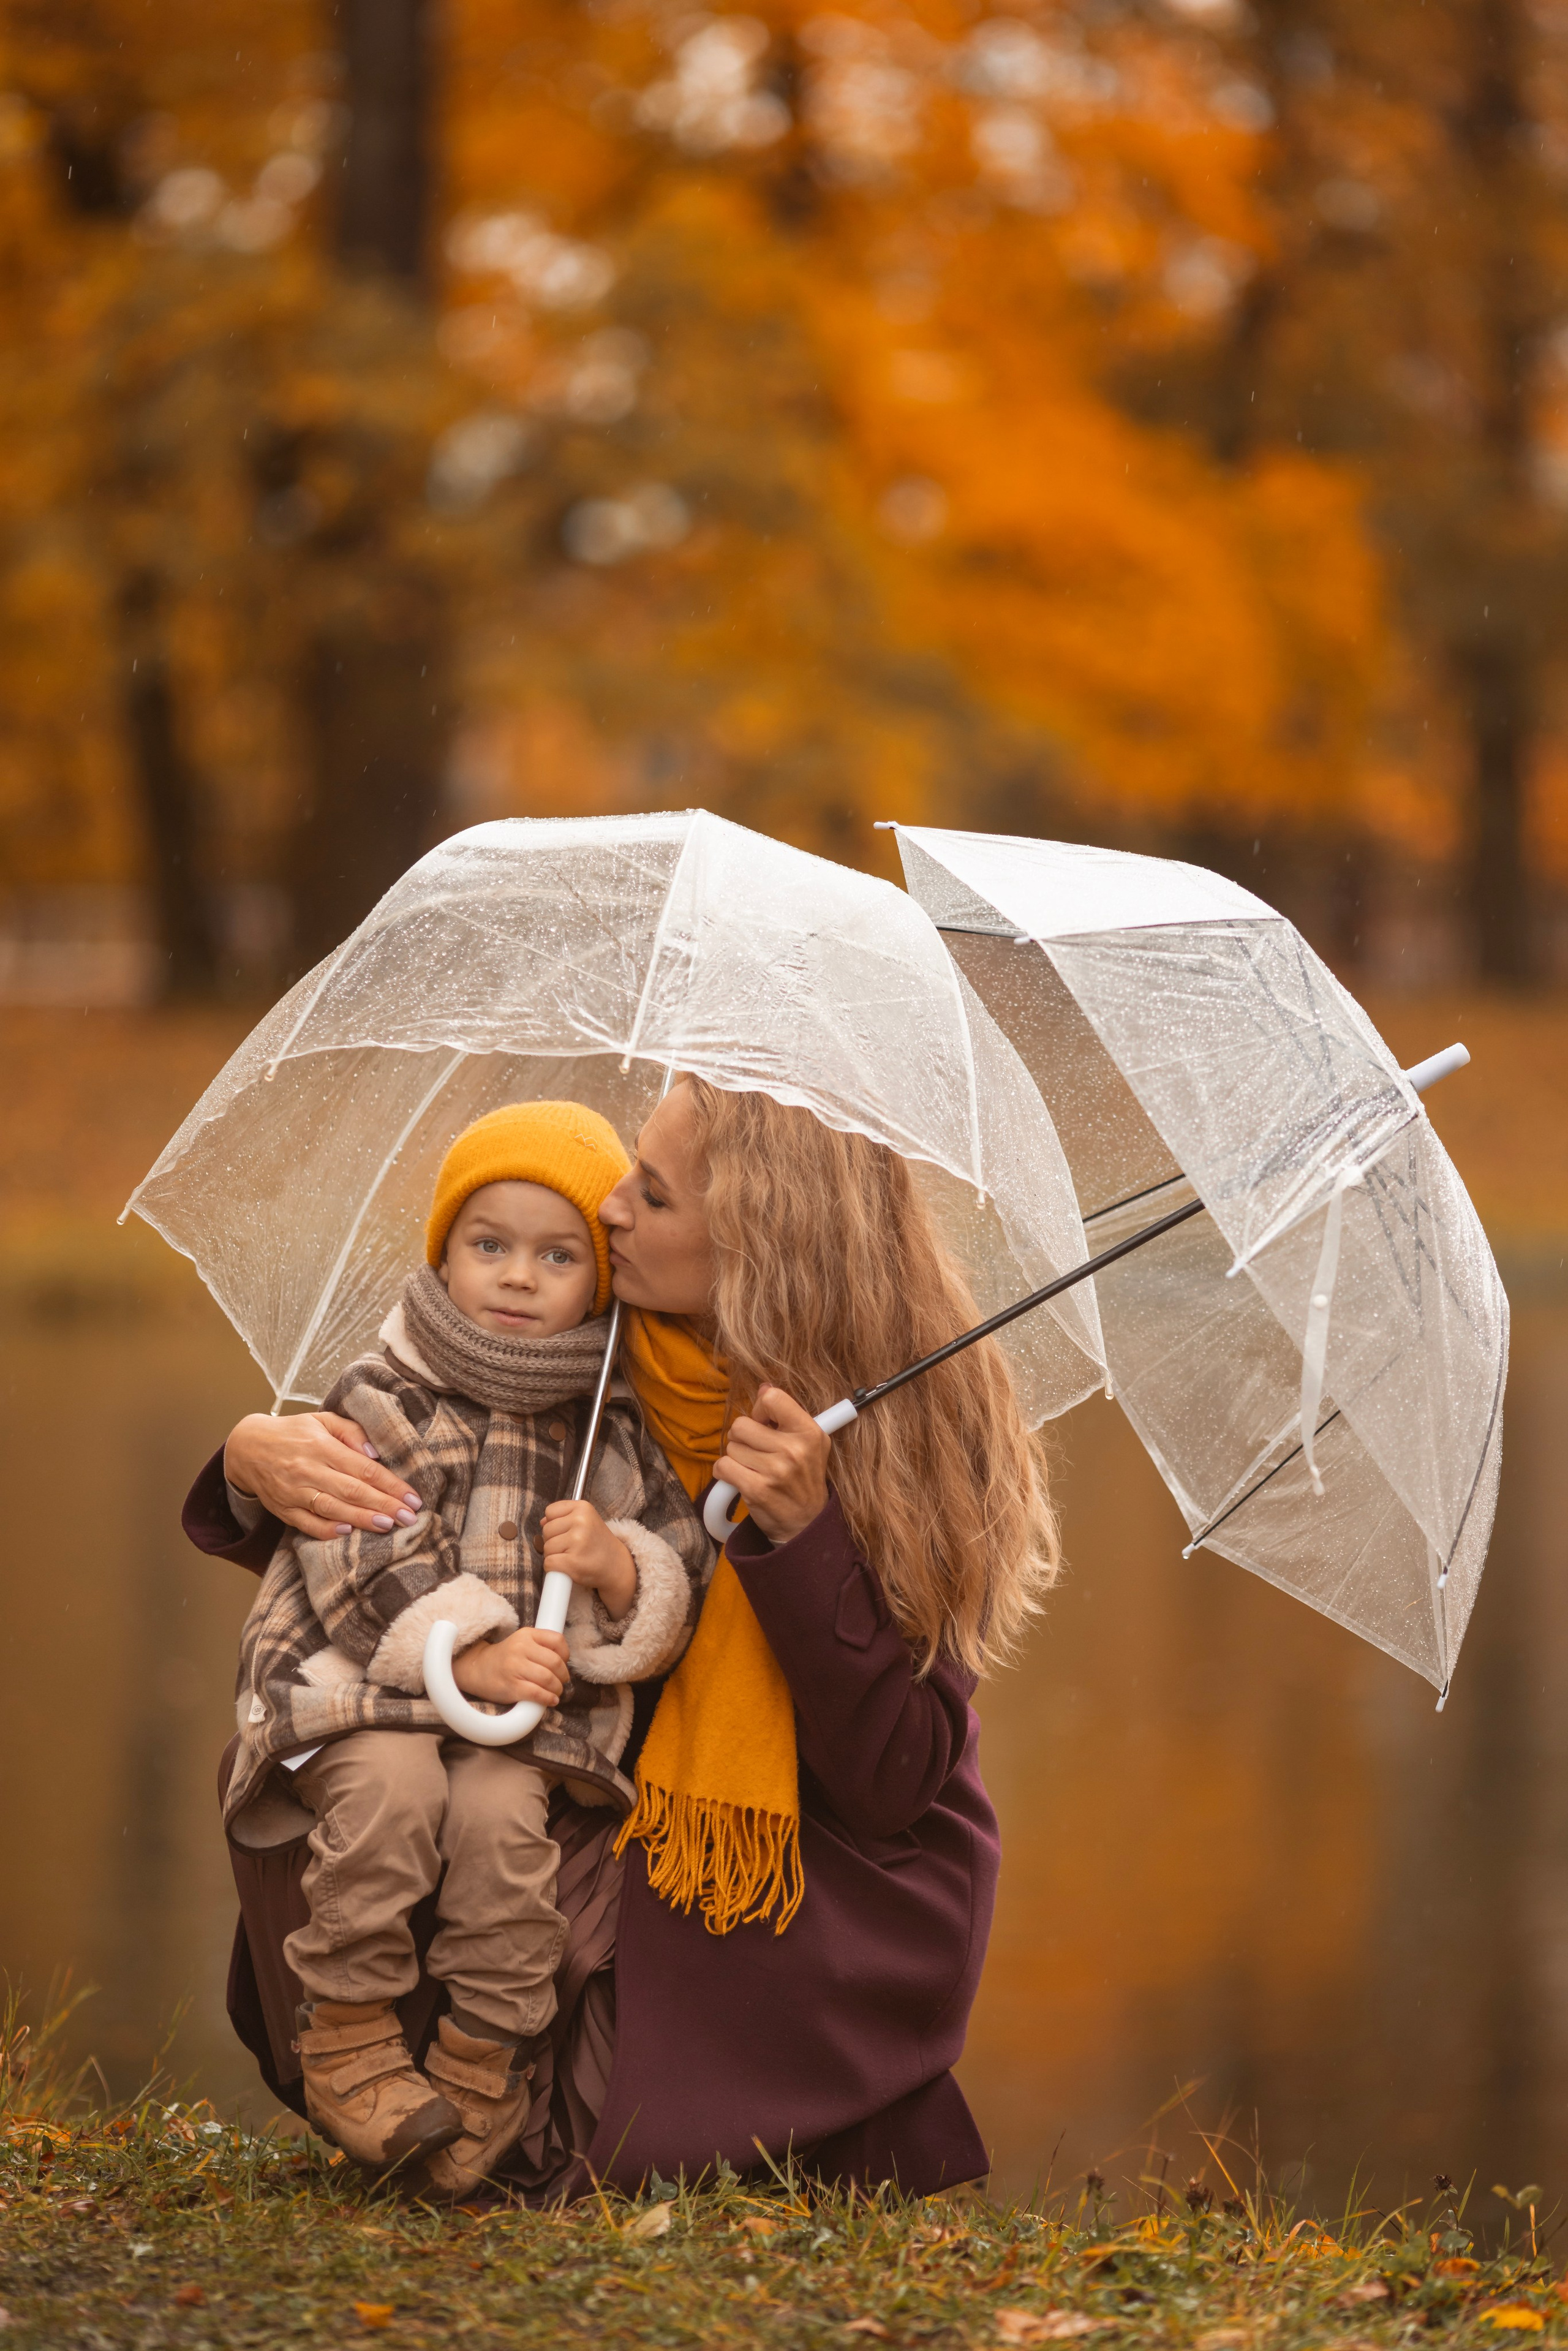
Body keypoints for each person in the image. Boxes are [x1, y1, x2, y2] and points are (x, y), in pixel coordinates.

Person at [191, 1077, 1058, 2200]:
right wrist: (256, 1452)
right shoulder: (598, 1347)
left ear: (754, 1238)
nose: (605, 1211)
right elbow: (411, 1509)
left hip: (824, 1880)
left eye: (650, 1193)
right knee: (348, 1781)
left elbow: (894, 1778)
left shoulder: (909, 1419)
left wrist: (807, 1542)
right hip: (614, 1795)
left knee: (551, 2151)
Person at [224, 1100, 708, 2196]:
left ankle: (485, 2054)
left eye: (556, 1255)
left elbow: (680, 1569)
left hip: (514, 1724)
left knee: (502, 1827)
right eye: (489, 1245)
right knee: (392, 1797)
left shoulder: (611, 1423)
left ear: (601, 1277)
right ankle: (347, 2032)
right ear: (443, 1255)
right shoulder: (386, 1391)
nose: (520, 1278)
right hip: (367, 1690)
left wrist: (621, 1566)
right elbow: (356, 1552)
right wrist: (473, 1654)